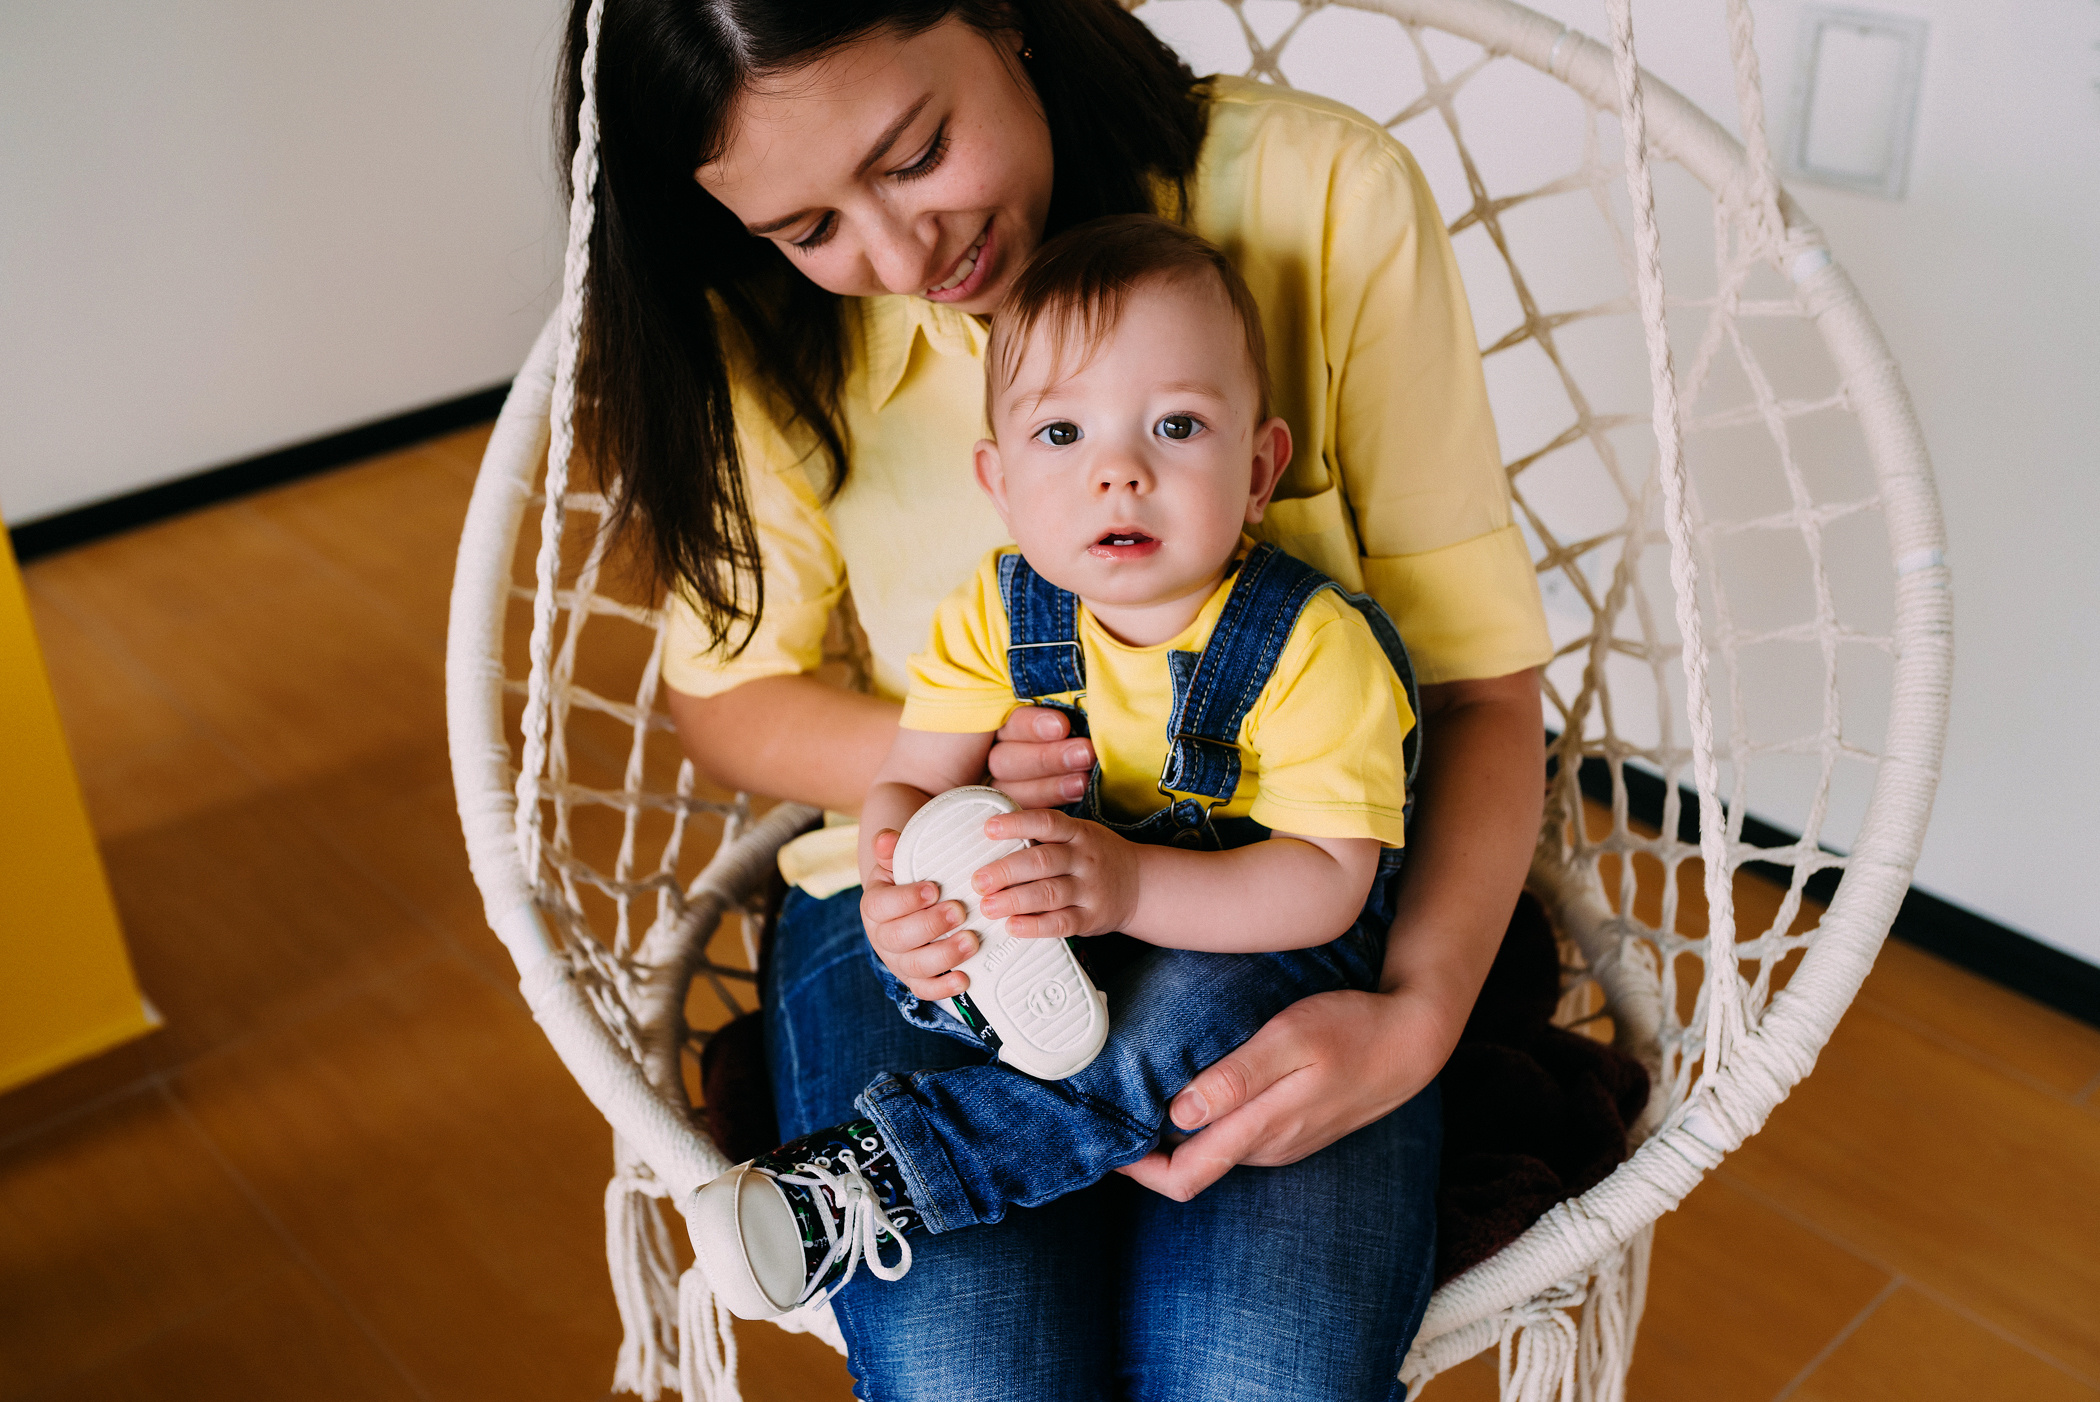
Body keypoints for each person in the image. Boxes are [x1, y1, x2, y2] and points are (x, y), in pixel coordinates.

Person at [564, 1, 1550, 1396]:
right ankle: (909, 1160)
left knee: (1262, 1370)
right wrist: (954, 798)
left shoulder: (1319, 199)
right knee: (974, 1371)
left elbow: (1479, 695)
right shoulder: (758, 333)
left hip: (1269, 889)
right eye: (809, 229)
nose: (906, 257)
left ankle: (895, 1170)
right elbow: (733, 697)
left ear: (1003, 13)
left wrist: (1419, 1017)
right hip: (937, 908)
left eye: (916, 152)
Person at [688, 216, 1424, 1321]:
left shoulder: (1312, 646)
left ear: (1260, 466)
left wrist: (1132, 886)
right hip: (1071, 919)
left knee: (1181, 1018)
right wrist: (898, 888)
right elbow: (910, 780)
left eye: (1177, 426)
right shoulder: (998, 611)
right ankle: (996, 1019)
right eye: (1062, 434)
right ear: (997, 479)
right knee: (952, 862)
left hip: (1262, 925)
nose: (1119, 473)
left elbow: (1327, 883)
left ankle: (884, 1179)